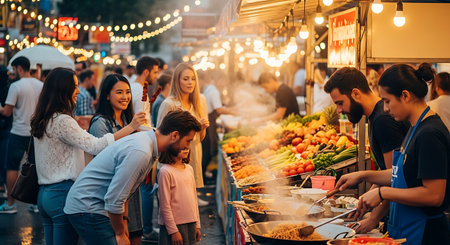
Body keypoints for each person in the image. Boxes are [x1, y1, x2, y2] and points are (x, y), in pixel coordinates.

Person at [335, 63, 450, 244]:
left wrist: (382, 193)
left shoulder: (429, 134)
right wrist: (363, 175)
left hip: (425, 234)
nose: (386, 109)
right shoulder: (415, 128)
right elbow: (402, 173)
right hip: (406, 230)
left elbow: (434, 195)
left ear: (405, 95)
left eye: (387, 101)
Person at [30, 68, 144, 245]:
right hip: (62, 193)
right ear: (63, 89)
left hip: (45, 194)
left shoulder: (45, 117)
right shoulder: (63, 120)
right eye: (74, 86)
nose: (78, 91)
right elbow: (97, 146)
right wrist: (131, 128)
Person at [64, 110, 202, 245]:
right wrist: (120, 234)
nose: (188, 146)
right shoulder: (141, 151)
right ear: (175, 135)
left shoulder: (147, 143)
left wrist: (124, 224)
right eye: (188, 141)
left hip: (93, 207)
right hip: (88, 208)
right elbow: (114, 199)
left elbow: (125, 192)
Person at [324, 67, 409, 233]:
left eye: (340, 103)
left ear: (355, 93)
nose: (339, 110)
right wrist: (363, 202)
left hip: (405, 217)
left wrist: (372, 219)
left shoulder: (382, 120)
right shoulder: (375, 116)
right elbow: (385, 170)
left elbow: (395, 177)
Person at [88, 74, 146, 245]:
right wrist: (132, 128)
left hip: (131, 194)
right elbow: (103, 155)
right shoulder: (100, 123)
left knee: (135, 237)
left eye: (127, 92)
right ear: (107, 95)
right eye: (119, 92)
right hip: (111, 194)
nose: (125, 97)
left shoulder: (128, 119)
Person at [157, 63, 209, 206]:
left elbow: (199, 139)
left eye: (193, 79)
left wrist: (203, 128)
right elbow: (160, 136)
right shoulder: (169, 104)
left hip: (193, 157)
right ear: (177, 81)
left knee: (190, 204)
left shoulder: (200, 102)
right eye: (186, 79)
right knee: (175, 204)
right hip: (174, 161)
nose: (190, 82)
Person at [0, 56, 43, 214]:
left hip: (18, 132)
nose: (13, 72)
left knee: (11, 167)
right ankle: (37, 203)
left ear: (19, 68)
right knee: (36, 167)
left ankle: (10, 204)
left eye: (14, 69)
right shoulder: (41, 85)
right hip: (36, 133)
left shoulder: (16, 86)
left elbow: (7, 111)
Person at [158, 149, 201, 245]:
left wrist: (197, 224)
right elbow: (164, 205)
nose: (187, 149)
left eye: (187, 146)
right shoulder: (165, 171)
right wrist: (173, 231)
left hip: (191, 224)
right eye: (182, 147)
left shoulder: (189, 169)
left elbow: (194, 199)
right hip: (173, 226)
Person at [130, 56, 159, 126]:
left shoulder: (133, 86)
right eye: (155, 72)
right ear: (146, 72)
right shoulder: (140, 91)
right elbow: (140, 123)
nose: (156, 76)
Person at [0, 66, 12, 196]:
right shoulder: (10, 88)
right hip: (7, 127)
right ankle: (4, 186)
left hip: (5, 127)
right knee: (4, 158)